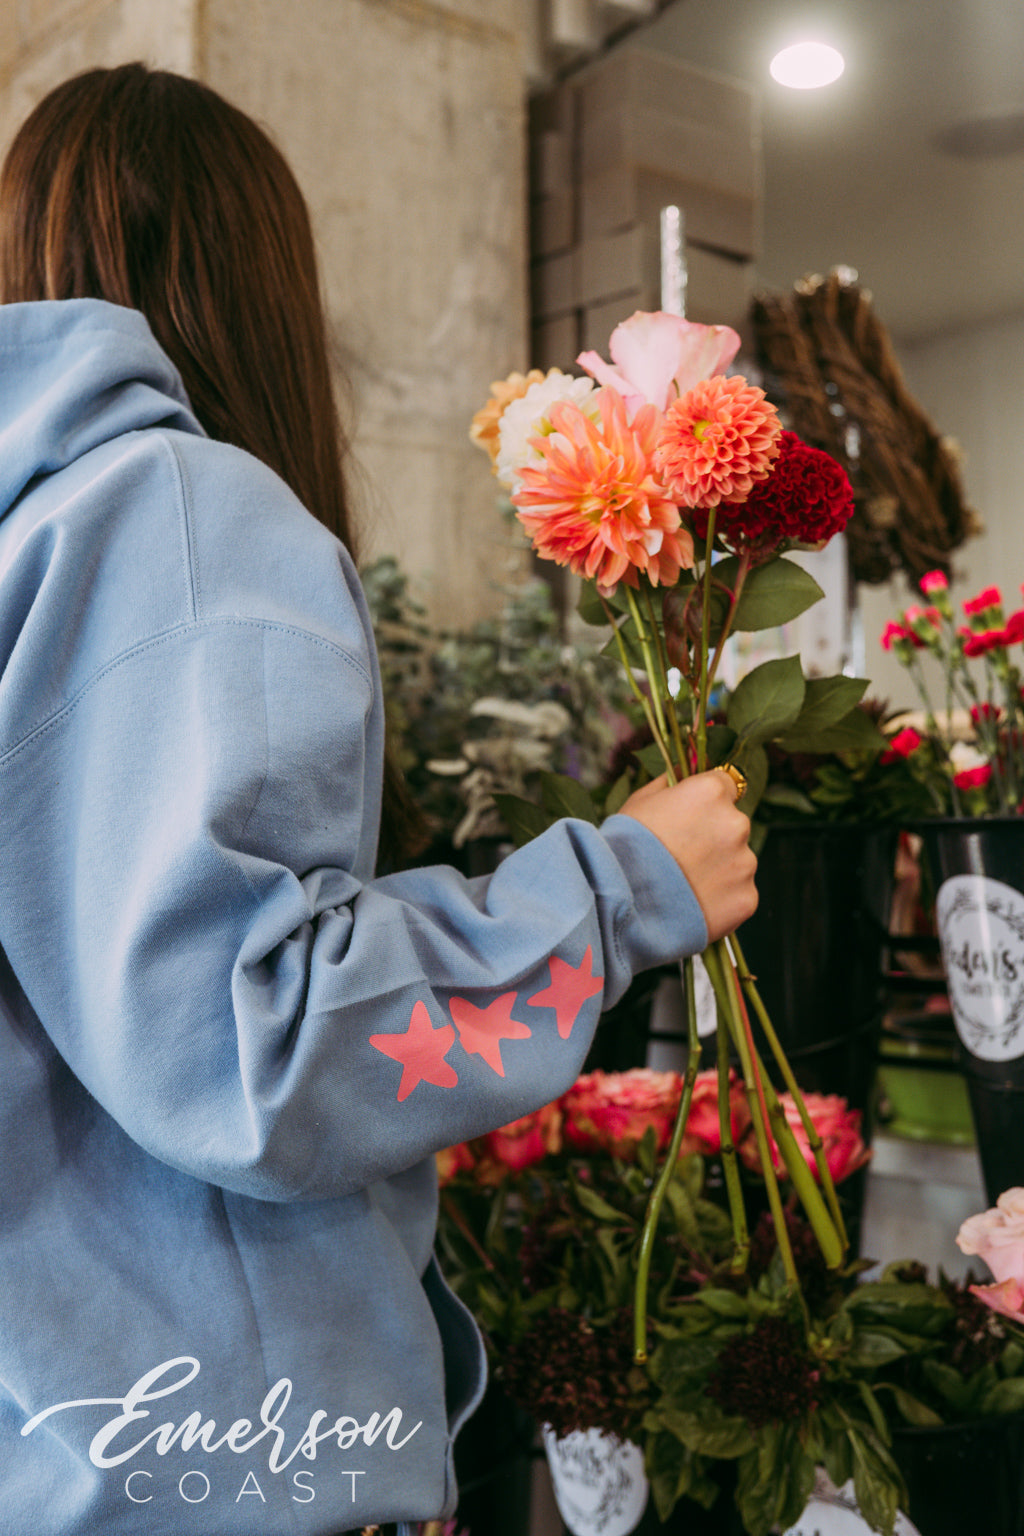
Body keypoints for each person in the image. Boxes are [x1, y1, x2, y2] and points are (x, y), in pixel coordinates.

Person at [0, 64, 757, 1536]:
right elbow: (252, 1041)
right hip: (226, 1473)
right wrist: (618, 888)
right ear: (256, 279)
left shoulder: (30, 539)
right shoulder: (177, 514)